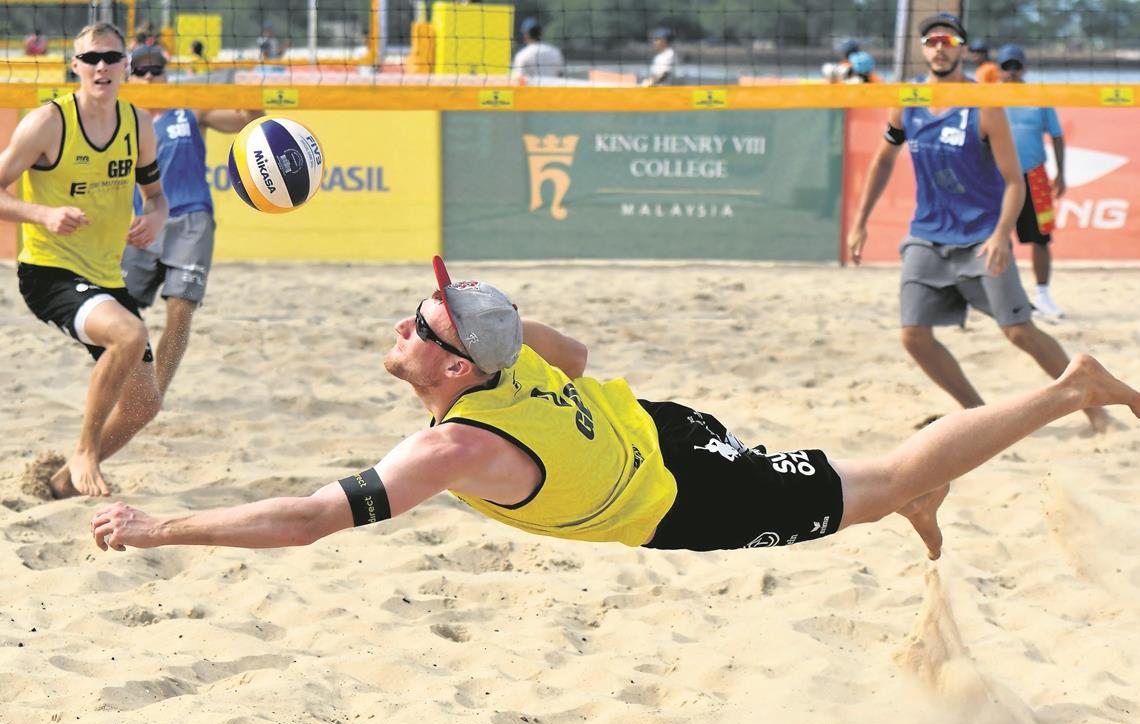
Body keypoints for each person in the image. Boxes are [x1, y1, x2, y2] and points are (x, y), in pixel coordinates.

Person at [90, 257, 1140, 562]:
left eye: (423, 322)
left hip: (688, 493)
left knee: (886, 476)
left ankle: (1064, 386)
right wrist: (491, 318)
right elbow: (575, 351)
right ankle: (909, 494)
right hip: (662, 428)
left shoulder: (453, 441)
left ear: (454, 367)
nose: (404, 323)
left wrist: (160, 524)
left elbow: (309, 517)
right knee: (866, 489)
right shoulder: (496, 370)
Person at [846, 14, 1107, 432]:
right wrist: (860, 223)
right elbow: (881, 162)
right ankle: (980, 416)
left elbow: (1013, 182)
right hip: (927, 236)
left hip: (981, 238)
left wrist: (1002, 234)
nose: (939, 47)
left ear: (962, 49)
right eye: (931, 41)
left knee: (1020, 332)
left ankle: (1095, 409)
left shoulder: (984, 104)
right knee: (913, 336)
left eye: (948, 41)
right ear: (924, 49)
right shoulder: (908, 99)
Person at [0, 22, 168, 498]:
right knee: (129, 334)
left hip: (103, 276)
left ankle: (59, 487)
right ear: (75, 66)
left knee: (142, 405)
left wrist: (155, 219)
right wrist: (42, 213)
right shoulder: (48, 122)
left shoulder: (138, 125)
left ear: (125, 67)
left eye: (112, 58)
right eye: (91, 59)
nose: (102, 67)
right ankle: (84, 452)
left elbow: (156, 198)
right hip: (48, 271)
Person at [120, 44, 264, 397]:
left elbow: (249, 121)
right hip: (140, 224)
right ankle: (131, 383)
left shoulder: (188, 109)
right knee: (120, 314)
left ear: (168, 74)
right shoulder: (120, 117)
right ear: (129, 77)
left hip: (190, 218)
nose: (150, 76)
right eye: (141, 71)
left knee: (180, 309)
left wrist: (248, 92)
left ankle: (154, 396)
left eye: (157, 69)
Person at [998, 44, 1067, 319]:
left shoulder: (1039, 96)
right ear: (1000, 70)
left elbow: (1058, 136)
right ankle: (996, 297)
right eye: (1007, 66)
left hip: (1034, 174)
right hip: (998, 176)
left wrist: (1062, 173)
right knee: (993, 237)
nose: (1012, 72)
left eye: (1016, 66)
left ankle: (1043, 297)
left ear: (1023, 67)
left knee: (1041, 239)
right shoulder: (988, 97)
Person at [510, 17, 564, 82]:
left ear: (526, 34)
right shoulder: (555, 51)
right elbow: (561, 76)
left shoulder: (522, 55)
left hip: (531, 91)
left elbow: (518, 79)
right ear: (540, 33)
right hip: (552, 91)